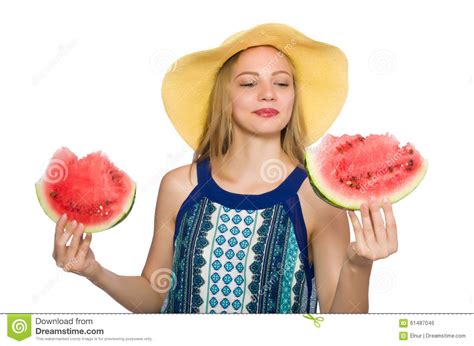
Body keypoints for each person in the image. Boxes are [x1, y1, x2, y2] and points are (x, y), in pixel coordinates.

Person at [52, 23, 398, 313]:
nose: (268, 94)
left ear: (294, 97)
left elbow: (341, 327)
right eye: (249, 83)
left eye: (282, 83)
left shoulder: (317, 197)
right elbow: (154, 297)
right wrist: (93, 270)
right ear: (225, 97)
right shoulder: (179, 187)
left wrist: (359, 263)